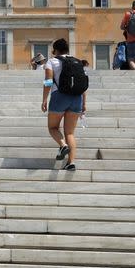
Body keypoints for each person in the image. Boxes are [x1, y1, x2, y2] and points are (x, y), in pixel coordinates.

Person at [41, 38, 87, 171]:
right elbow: (83, 85)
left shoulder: (52, 61)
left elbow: (48, 81)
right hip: (76, 98)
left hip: (59, 97)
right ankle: (71, 163)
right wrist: (84, 103)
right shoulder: (77, 62)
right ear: (67, 50)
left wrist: (44, 99)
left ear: (55, 50)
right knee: (70, 133)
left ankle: (62, 145)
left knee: (53, 127)